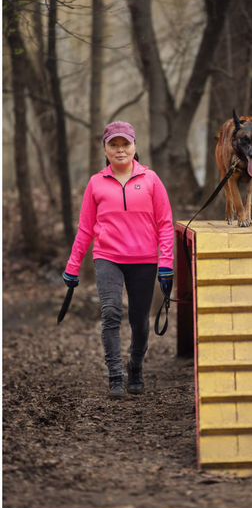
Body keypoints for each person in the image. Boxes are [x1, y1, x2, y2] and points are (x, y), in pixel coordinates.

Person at [62, 121, 175, 399]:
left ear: (135, 147)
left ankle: (135, 366)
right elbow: (86, 228)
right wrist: (73, 266)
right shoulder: (95, 183)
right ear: (106, 148)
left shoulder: (151, 179)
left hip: (144, 259)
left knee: (139, 321)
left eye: (125, 144)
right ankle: (115, 375)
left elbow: (166, 224)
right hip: (107, 257)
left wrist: (166, 264)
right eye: (114, 144)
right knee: (111, 312)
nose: (120, 149)